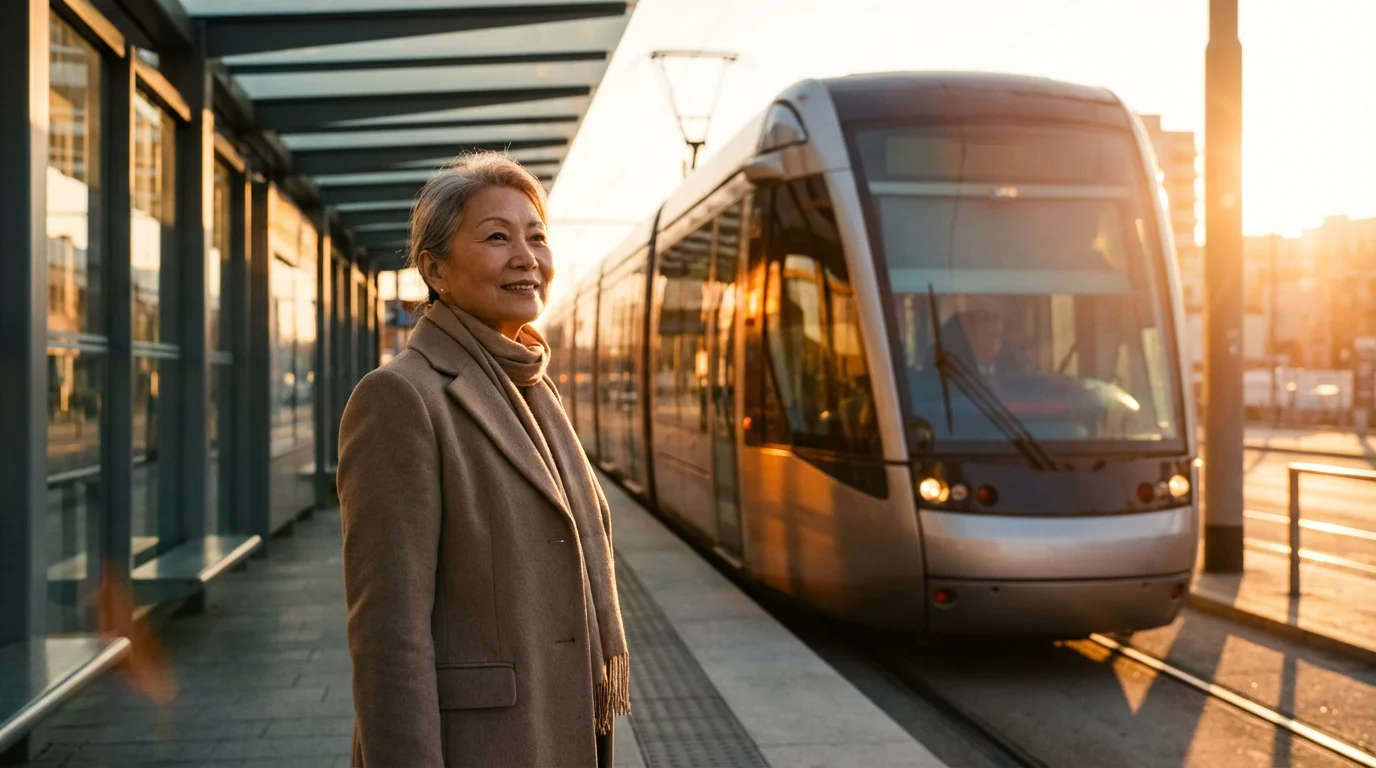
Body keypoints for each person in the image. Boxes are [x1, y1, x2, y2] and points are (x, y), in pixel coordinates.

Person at [336, 152, 629, 767]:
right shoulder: (400, 398)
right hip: (481, 748)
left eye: (537, 236)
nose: (527, 257)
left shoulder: (534, 389)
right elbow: (389, 635)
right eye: (497, 237)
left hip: (561, 732)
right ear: (435, 270)